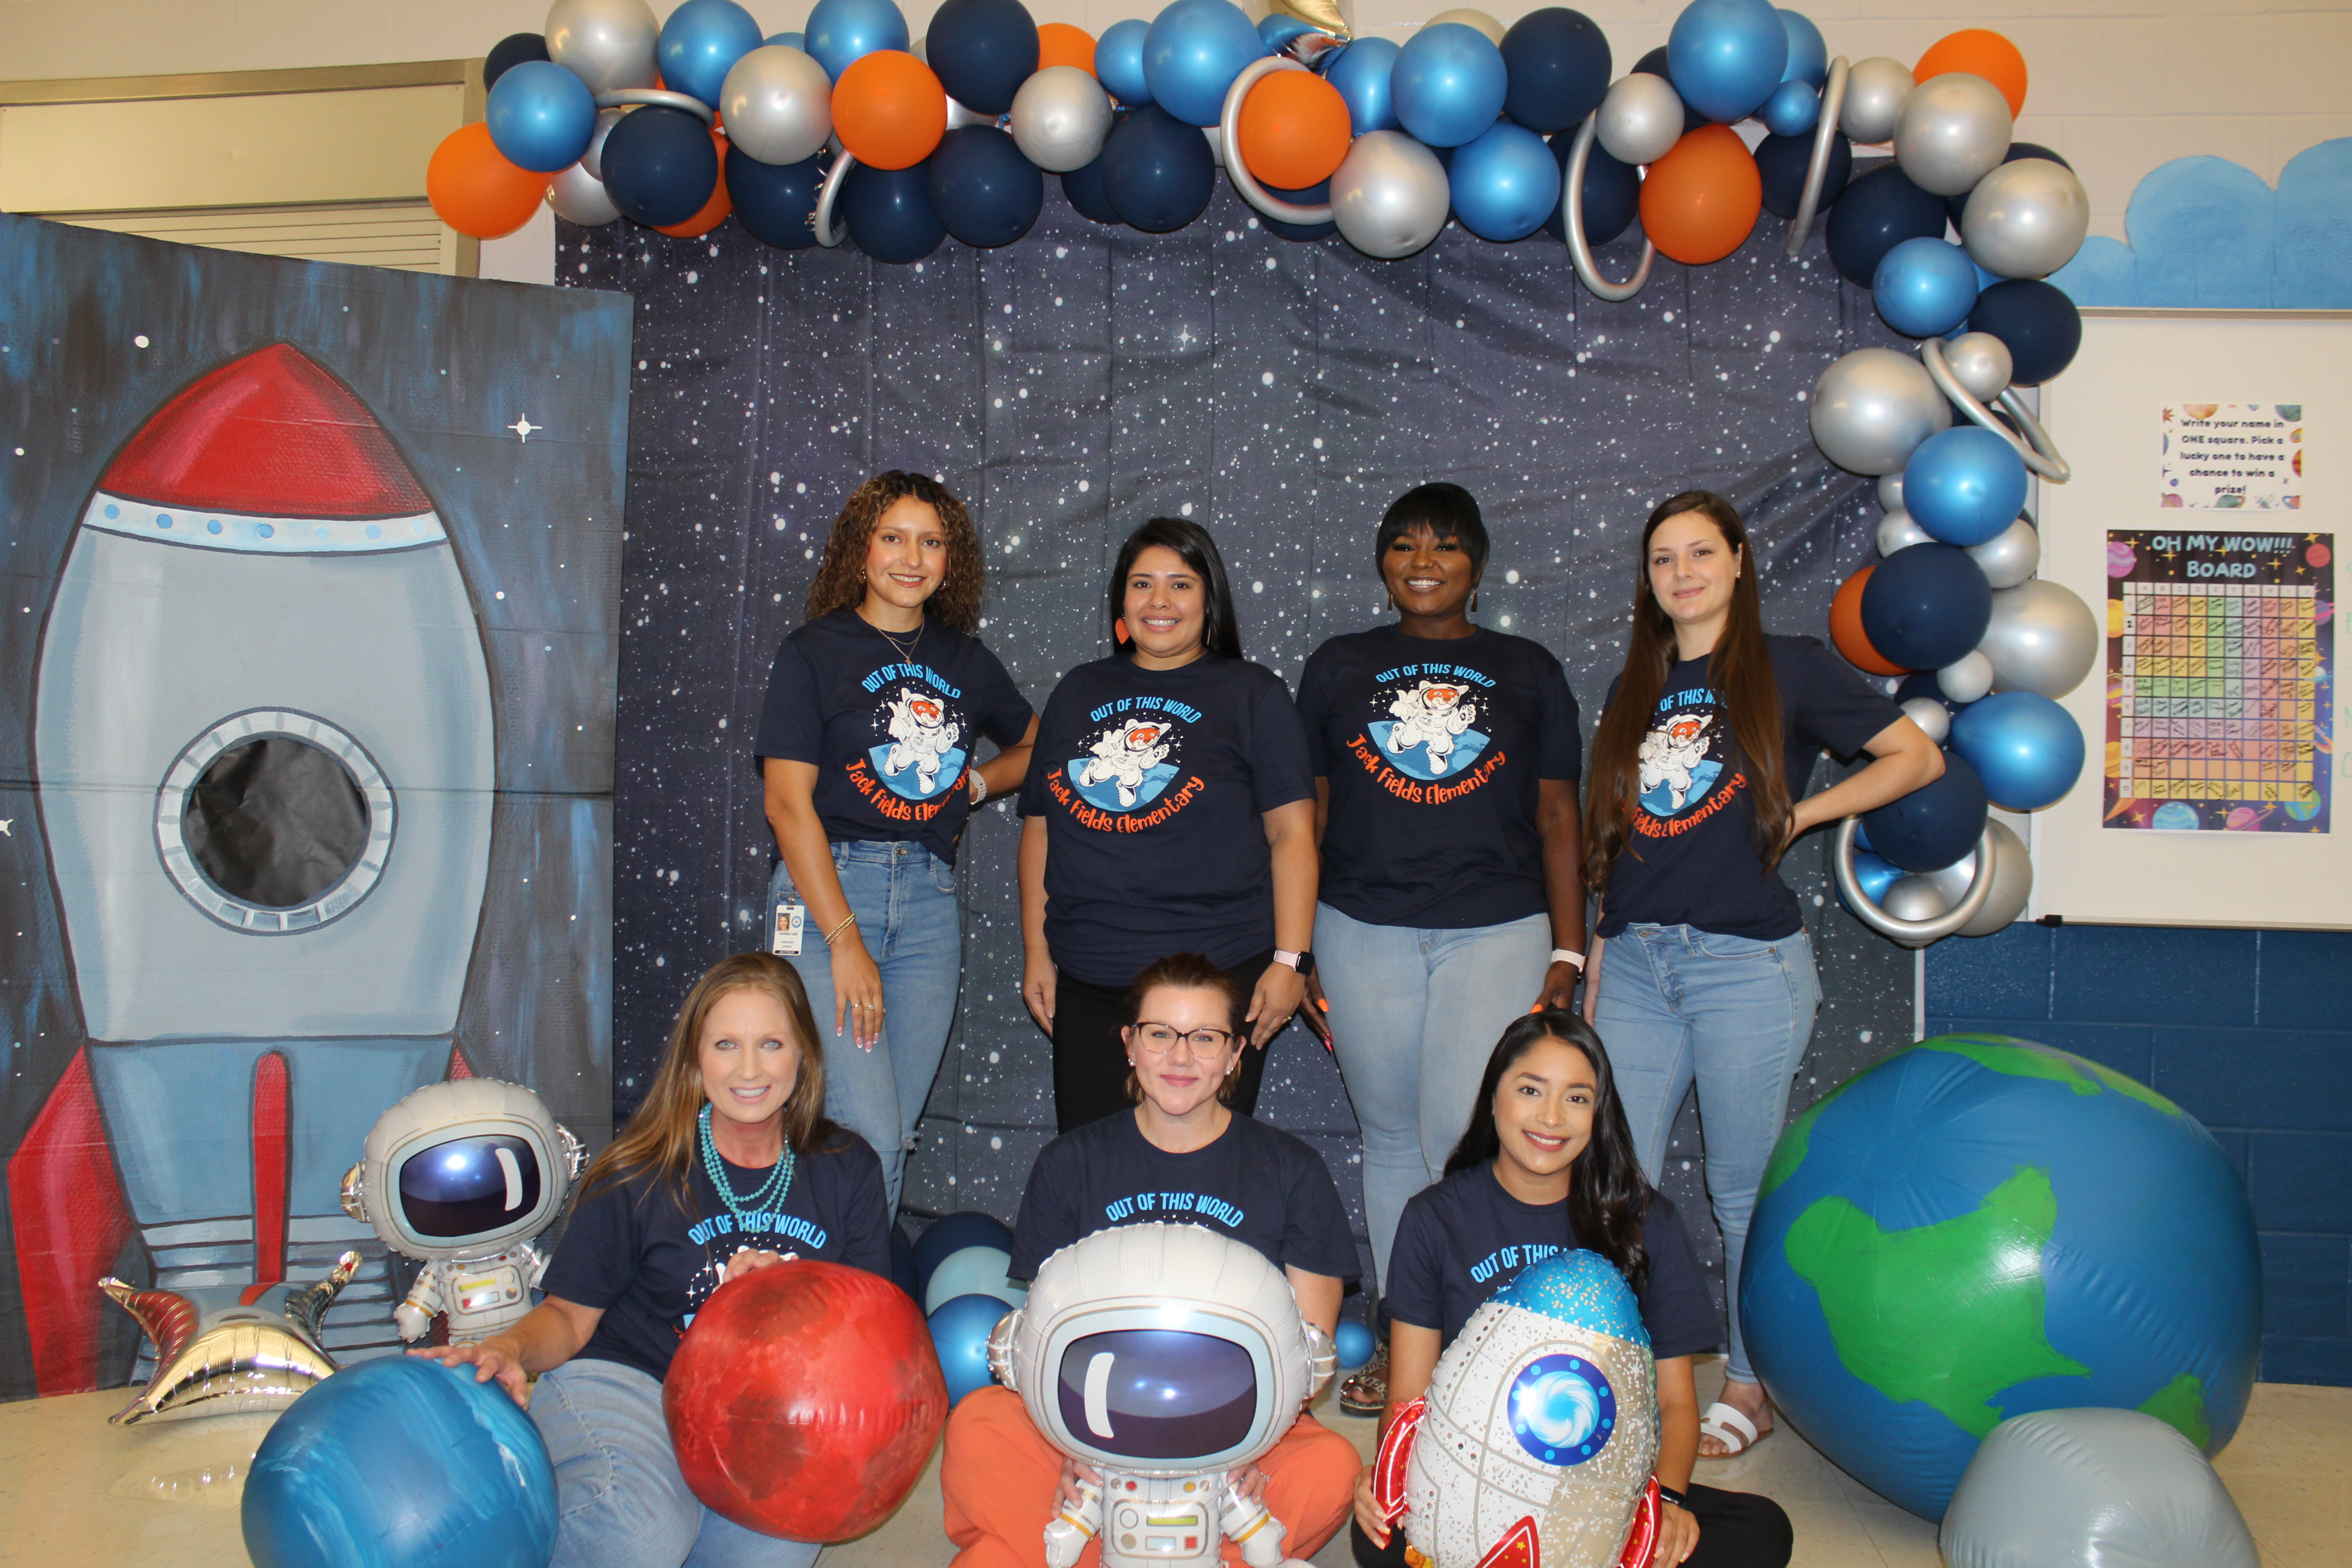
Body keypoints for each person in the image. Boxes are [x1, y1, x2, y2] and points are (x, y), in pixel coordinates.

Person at [1582, 491, 1942, 1458]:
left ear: (1739, 562)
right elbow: (1619, 843)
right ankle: (1615, 1369)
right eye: (1664, 559)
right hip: (1638, 965)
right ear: (1649, 581)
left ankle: (1749, 1379)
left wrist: (1808, 815)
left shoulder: (1791, 668)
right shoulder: (1635, 688)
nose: (1683, 572)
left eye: (1702, 552)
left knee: (1742, 1194)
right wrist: (1603, 956)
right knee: (1615, 1184)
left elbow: (1914, 755)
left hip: (1744, 967)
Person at [416, 952, 891, 1568]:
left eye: (771, 1043)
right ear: (696, 1061)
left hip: (755, 1413)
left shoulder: (848, 1168)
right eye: (726, 1044)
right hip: (629, 1380)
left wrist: (784, 1307)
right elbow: (568, 1319)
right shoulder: (639, 1169)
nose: (749, 1068)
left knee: (780, 1545)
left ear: (804, 1057)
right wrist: (508, 1350)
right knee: (645, 1530)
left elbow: (867, 1341)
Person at [1295, 482, 1585, 1411]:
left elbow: (1557, 815)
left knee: (1457, 1140)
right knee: (1388, 1142)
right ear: (1383, 563)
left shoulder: (1529, 668)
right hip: (1359, 927)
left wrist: (1571, 953)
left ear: (1478, 563)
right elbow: (1310, 815)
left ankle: (1477, 1340)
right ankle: (1400, 1335)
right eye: (1405, 544)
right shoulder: (1338, 665)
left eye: (1447, 546)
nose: (1425, 560)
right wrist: (1292, 950)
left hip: (1497, 928)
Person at [942, 952, 1363, 1568]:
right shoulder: (1071, 1162)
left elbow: (1308, 1354)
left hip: (1236, 1432)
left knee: (1332, 1466)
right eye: (1160, 1034)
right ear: (1130, 1045)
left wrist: (1246, 1450)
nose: (1181, 1056)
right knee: (979, 1426)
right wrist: (1069, 1449)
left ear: (1235, 1054)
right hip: (1090, 1424)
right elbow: (1041, 1337)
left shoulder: (1291, 1169)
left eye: (1205, 1038)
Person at [1351, 1014, 1793, 1568]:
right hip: (1474, 1474)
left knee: (1761, 1530)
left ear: (1598, 1114)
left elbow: (1677, 1403)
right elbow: (1408, 1398)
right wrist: (1391, 1479)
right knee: (1378, 1539)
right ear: (1494, 1099)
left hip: (1604, 1487)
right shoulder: (1435, 1217)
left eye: (1578, 1098)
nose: (1552, 1117)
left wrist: (1670, 1501)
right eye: (1531, 1090)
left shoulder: (1645, 1219)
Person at [755, 470, 1037, 1210]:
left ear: (951, 560)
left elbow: (1041, 743)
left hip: (926, 903)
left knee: (892, 1135)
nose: (911, 557)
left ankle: (837, 1304)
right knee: (865, 1134)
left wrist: (978, 783)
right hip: (822, 903)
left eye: (931, 541)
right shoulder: (813, 651)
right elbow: (787, 808)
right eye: (892, 537)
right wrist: (844, 939)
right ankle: (831, 1314)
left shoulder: (964, 661)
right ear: (859, 550)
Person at [1018, 517, 1318, 1131]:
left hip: (1219, 977)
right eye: (1142, 584)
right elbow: (1040, 828)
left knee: (1202, 1175)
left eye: (1180, 584)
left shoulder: (1253, 694)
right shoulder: (1079, 691)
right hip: (1092, 977)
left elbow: (1293, 836)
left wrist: (1291, 963)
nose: (1160, 602)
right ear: (1121, 601)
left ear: (1209, 600)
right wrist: (1037, 952)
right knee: (1096, 1171)